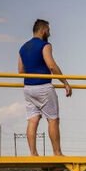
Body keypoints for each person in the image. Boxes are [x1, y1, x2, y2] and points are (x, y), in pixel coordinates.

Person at [18, 19, 71, 156]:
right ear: (42, 30)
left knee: (32, 120)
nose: (49, 33)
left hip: (28, 88)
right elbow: (52, 66)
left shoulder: (23, 47)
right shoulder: (45, 45)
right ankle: (57, 153)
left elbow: (20, 70)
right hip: (43, 87)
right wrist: (65, 83)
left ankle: (33, 154)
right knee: (53, 119)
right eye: (48, 30)